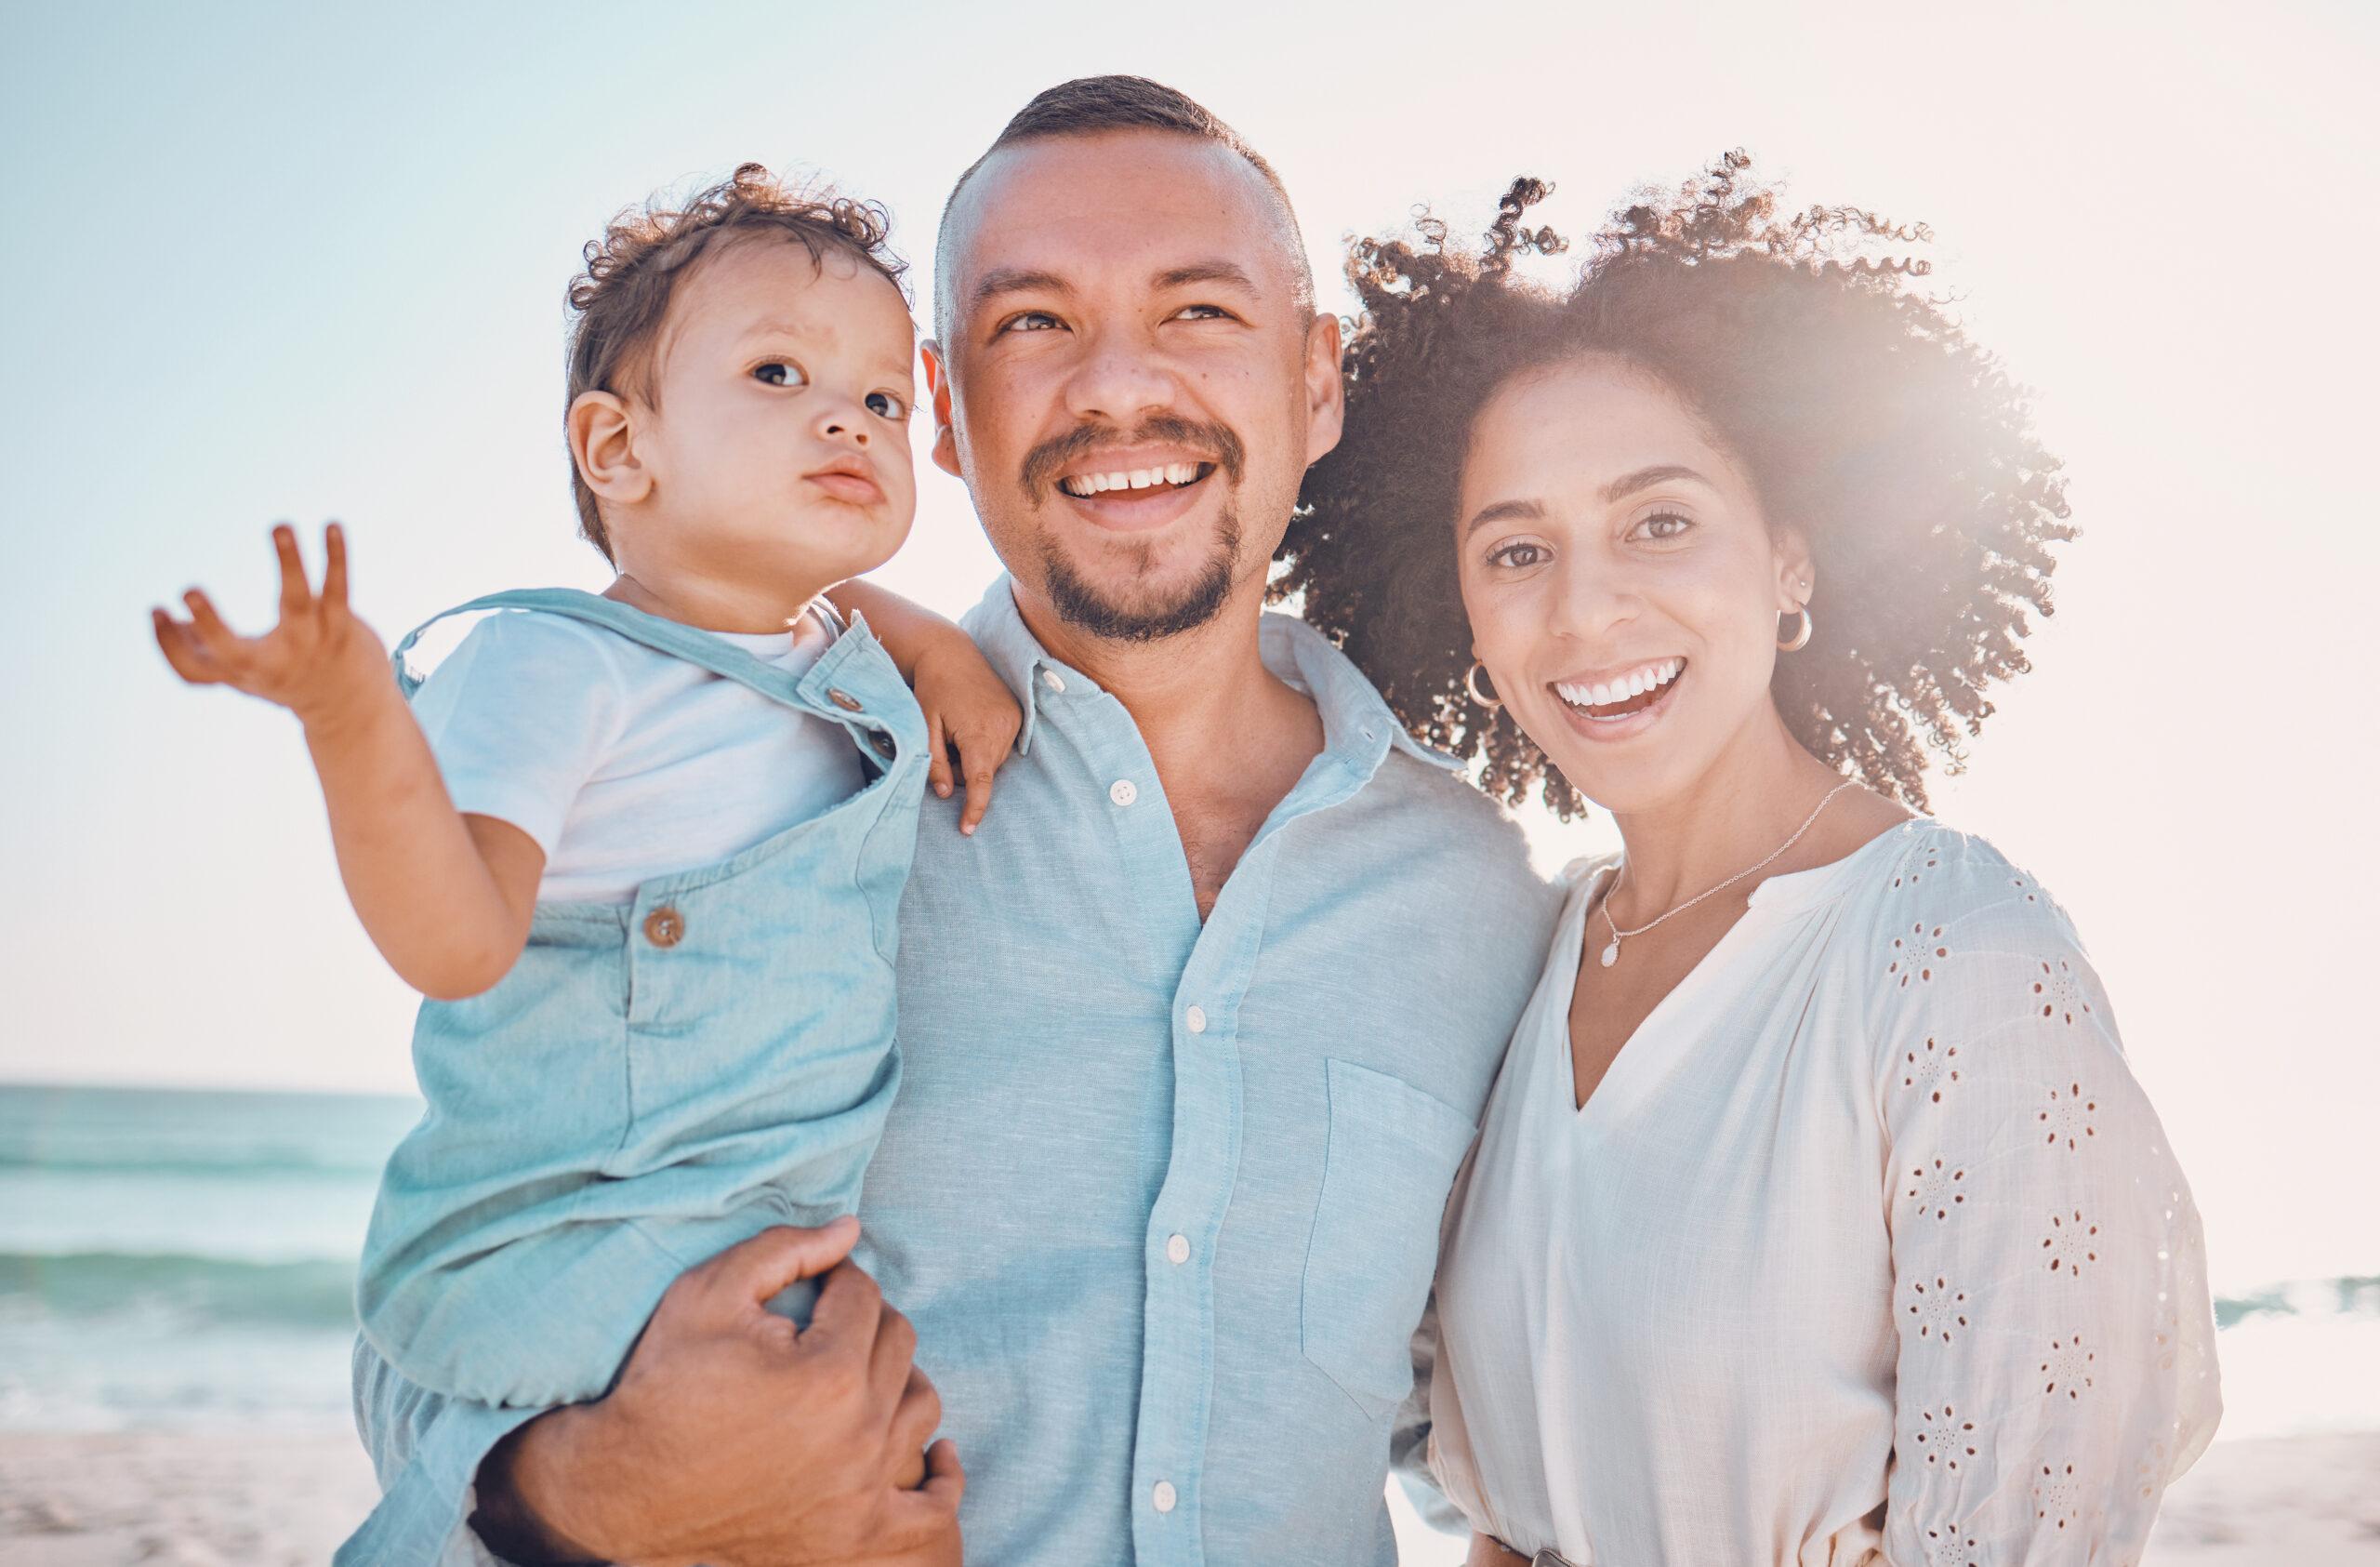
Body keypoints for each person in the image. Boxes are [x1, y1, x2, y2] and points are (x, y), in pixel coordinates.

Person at [345, 78, 1561, 1567]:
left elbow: (1501, 1442)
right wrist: (583, 1497)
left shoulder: (1483, 897)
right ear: (941, 404)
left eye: (1198, 311)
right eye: (1033, 322)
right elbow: (457, 1310)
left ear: (1316, 381)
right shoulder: (782, 795)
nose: (1120, 385)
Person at [1285, 156, 2222, 1564]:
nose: (1588, 609)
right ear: (1462, 615)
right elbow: (1510, 1518)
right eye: (1518, 551)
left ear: (1791, 558)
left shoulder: (1956, 957)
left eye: (1660, 522)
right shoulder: (1527, 972)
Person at [153, 165, 1024, 1552]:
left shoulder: (838, 658)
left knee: (879, 1486)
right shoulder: (555, 664)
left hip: (754, 1245)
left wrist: (936, 647)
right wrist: (352, 720)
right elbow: (457, 939)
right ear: (619, 451)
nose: (847, 420)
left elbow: (810, 602)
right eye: (780, 372)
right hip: (579, 1250)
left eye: (880, 403)